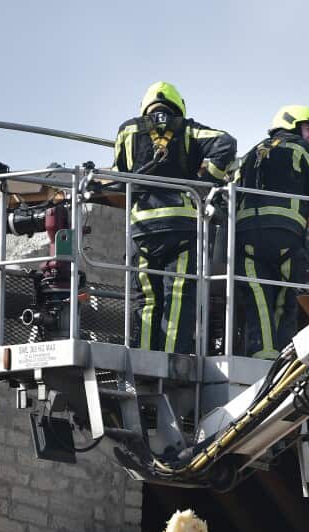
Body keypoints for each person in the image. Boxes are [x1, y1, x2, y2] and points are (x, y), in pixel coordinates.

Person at [114, 81, 236, 354]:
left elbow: (120, 176)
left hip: (142, 227)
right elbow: (226, 143)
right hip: (181, 224)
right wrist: (205, 181)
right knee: (178, 295)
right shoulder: (190, 129)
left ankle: (144, 358)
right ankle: (171, 357)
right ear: (177, 105)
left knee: (146, 299)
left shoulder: (128, 130)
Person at [234, 105, 309, 359]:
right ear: (293, 125)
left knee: (257, 299)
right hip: (285, 234)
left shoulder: (249, 154)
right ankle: (281, 360)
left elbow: (231, 193)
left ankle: (261, 354)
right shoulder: (303, 149)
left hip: (245, 238)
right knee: (285, 297)